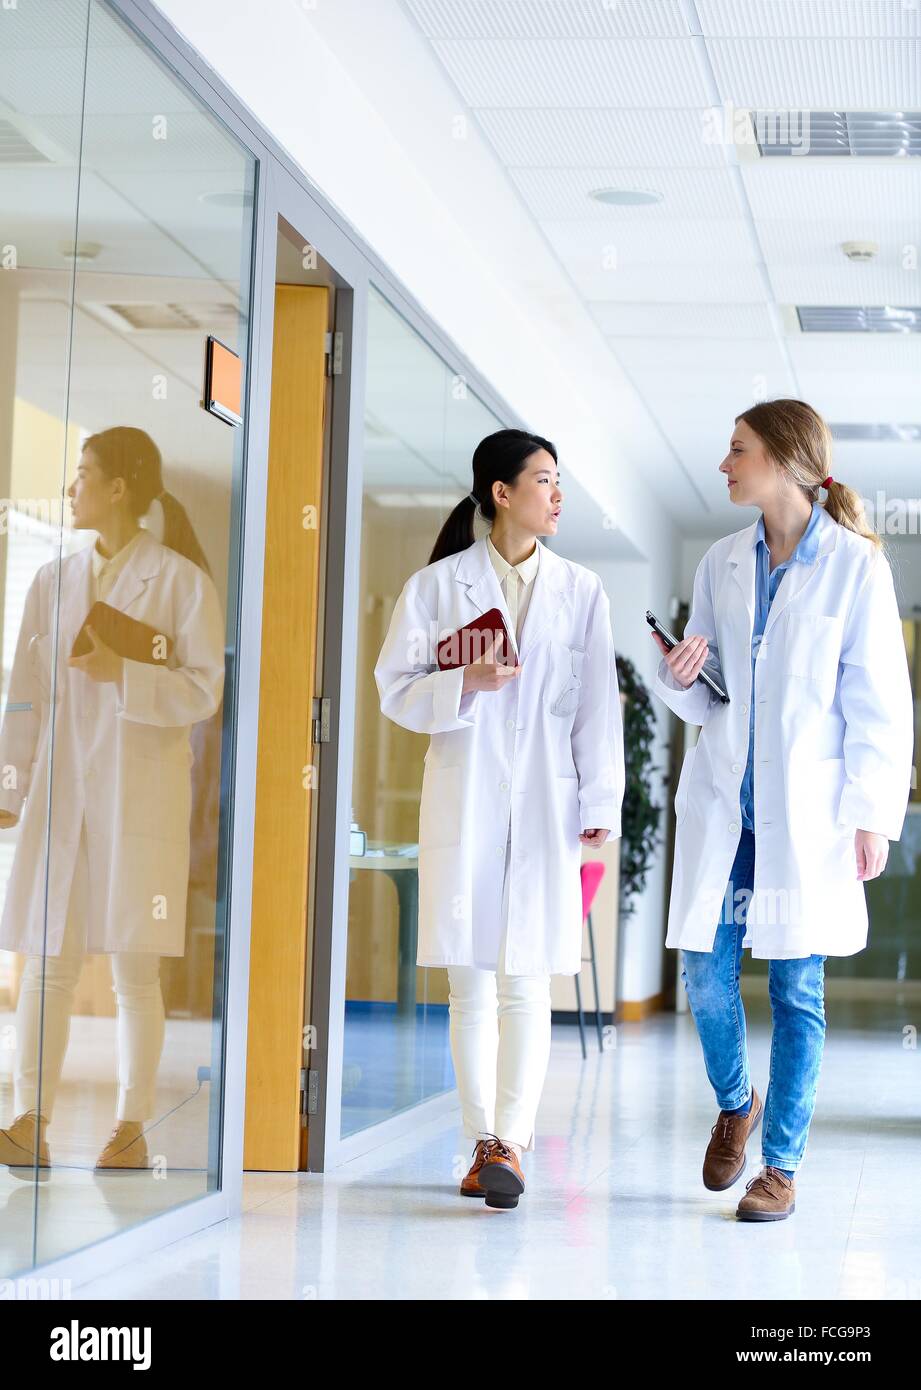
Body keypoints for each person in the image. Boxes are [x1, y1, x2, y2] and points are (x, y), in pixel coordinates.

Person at [651, 399, 914, 1221]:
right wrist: (681, 674)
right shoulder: (721, 562)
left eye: (737, 450)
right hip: (730, 808)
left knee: (798, 990)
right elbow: (705, 697)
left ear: (784, 460)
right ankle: (737, 1100)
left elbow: (879, 698)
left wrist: (871, 813)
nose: (724, 465)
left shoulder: (856, 566)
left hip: (806, 819)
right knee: (703, 968)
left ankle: (781, 1168)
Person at [374, 429, 625, 1209]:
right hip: (468, 790)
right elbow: (394, 689)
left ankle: (509, 1143)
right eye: (543, 480)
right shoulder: (436, 587)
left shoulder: (581, 590)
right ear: (500, 493)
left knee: (526, 982)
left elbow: (595, 710)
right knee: (470, 985)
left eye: (559, 482)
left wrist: (598, 803)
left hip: (548, 804)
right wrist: (464, 681)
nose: (556, 495)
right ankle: (480, 1141)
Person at [0, 426, 225, 1175]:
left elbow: (202, 691)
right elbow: (25, 696)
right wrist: (11, 782)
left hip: (140, 798)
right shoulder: (51, 580)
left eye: (85, 474)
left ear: (120, 487)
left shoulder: (181, 582)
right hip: (63, 795)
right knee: (46, 960)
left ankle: (129, 1130)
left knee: (135, 970)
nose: (74, 488)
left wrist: (121, 675)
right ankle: (30, 1120)